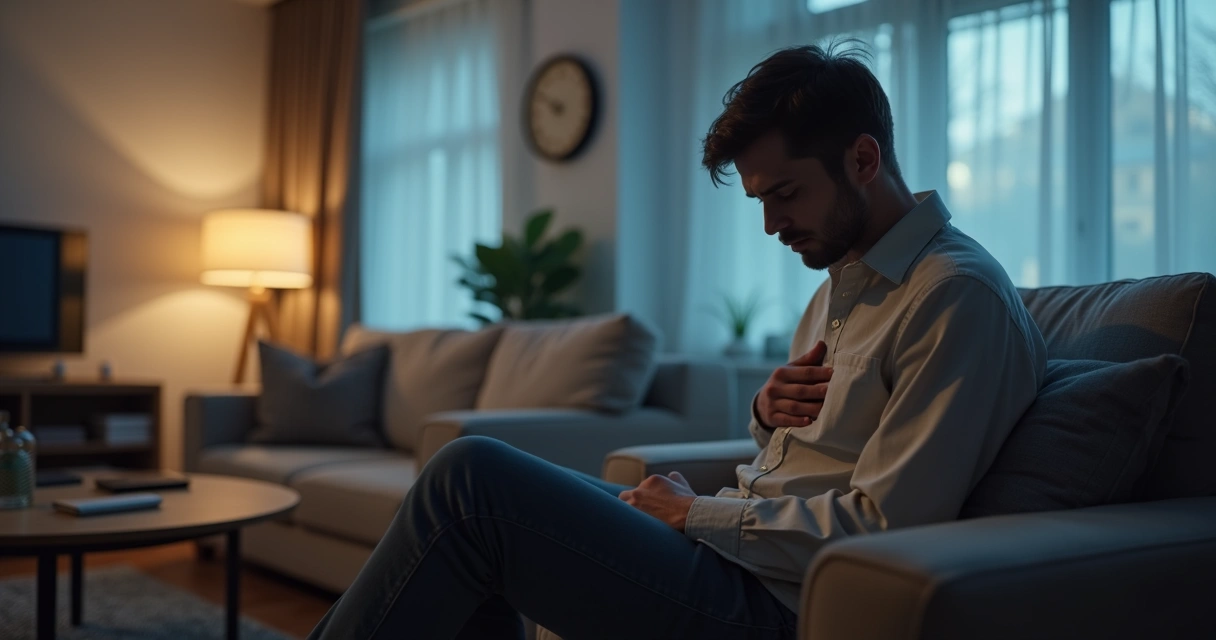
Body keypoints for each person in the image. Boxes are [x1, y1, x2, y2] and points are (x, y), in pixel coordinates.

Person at [307, 41, 1047, 640]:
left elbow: (885, 528)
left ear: (863, 159)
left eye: (785, 195)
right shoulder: (841, 287)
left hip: (778, 603)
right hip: (734, 555)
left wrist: (697, 515)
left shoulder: (954, 296)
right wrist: (763, 416)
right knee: (470, 531)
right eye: (760, 202)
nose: (770, 227)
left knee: (470, 481)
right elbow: (804, 458)